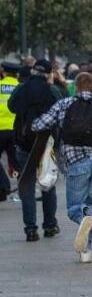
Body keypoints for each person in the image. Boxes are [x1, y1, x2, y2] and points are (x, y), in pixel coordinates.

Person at [32, 72, 92, 263]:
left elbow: (39, 125)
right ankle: (86, 251)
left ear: (76, 87)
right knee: (87, 206)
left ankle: (85, 238)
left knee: (75, 208)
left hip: (76, 164)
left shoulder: (63, 105)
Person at [8, 59, 62, 241]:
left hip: (24, 143)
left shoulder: (21, 88)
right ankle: (50, 225)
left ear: (32, 71)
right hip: (46, 144)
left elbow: (11, 107)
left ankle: (30, 229)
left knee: (27, 187)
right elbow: (61, 113)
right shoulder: (52, 90)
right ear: (48, 74)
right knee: (48, 185)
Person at [0, 62, 21, 201]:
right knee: (16, 162)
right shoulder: (20, 87)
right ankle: (21, 191)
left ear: (4, 72)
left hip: (0, 129)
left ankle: (4, 186)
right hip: (15, 130)